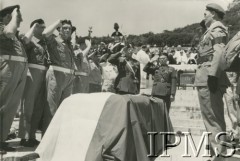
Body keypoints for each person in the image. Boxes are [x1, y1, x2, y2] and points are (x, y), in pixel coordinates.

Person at [194, 3, 230, 161]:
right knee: (212, 118)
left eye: (205, 14)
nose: (204, 16)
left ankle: (218, 156)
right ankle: (217, 154)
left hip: (209, 77)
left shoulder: (217, 29)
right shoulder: (211, 30)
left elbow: (219, 51)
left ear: (214, 14)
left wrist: (213, 76)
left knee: (212, 118)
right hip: (207, 76)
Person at [0, 5, 28, 152]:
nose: (20, 20)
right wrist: (15, 13)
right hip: (7, 66)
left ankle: (1, 139)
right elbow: (9, 31)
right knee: (2, 104)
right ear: (7, 17)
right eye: (18, 16)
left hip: (18, 67)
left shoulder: (15, 33)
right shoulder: (2, 26)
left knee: (10, 106)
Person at [42, 20, 76, 133]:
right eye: (64, 28)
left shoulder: (69, 44)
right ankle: (47, 139)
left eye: (69, 29)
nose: (67, 30)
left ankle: (58, 136)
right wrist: (58, 21)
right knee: (51, 108)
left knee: (64, 108)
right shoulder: (54, 41)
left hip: (69, 77)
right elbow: (45, 33)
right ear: (59, 30)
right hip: (57, 74)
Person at [18, 19, 48, 147]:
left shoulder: (45, 43)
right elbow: (24, 44)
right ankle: (24, 137)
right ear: (34, 28)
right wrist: (32, 29)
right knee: (28, 105)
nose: (43, 29)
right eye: (40, 27)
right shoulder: (30, 39)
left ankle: (31, 136)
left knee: (38, 107)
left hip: (44, 74)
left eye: (44, 27)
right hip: (32, 72)